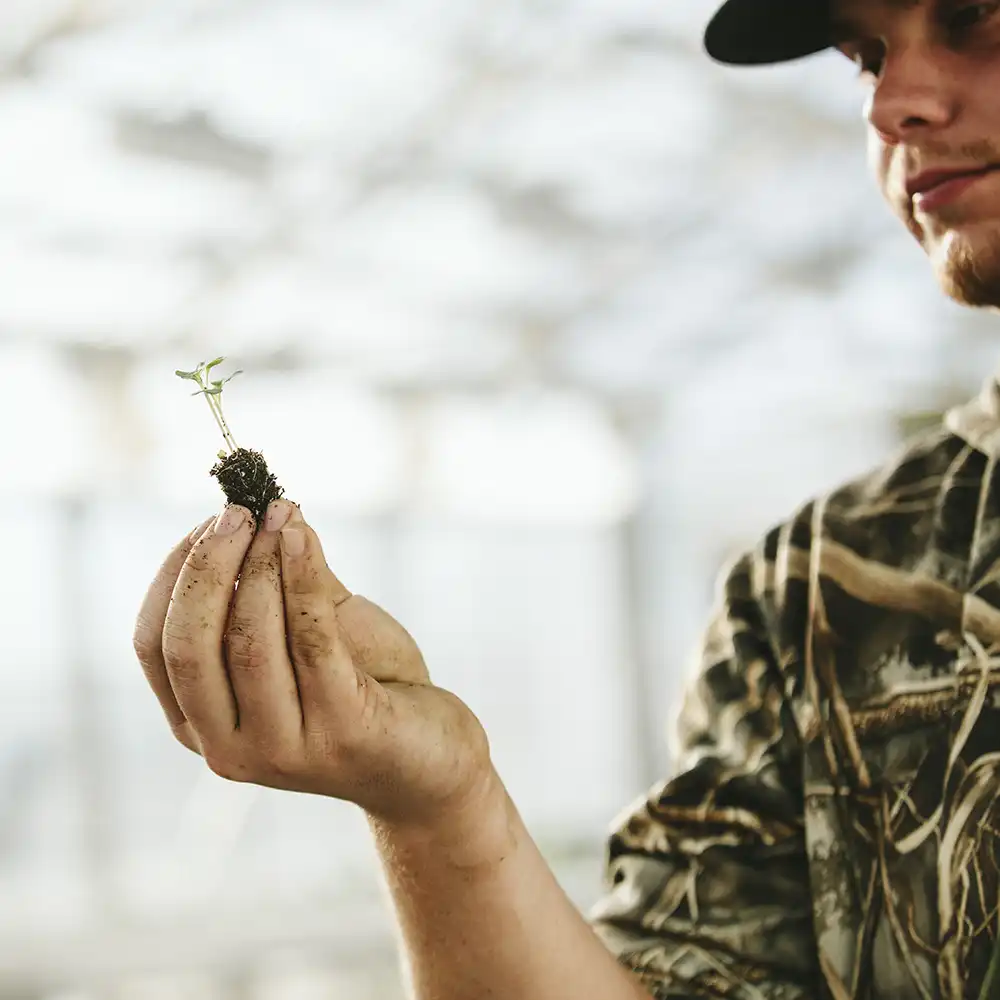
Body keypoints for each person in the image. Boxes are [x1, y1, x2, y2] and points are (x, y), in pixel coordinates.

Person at [131, 0, 1000, 994]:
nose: (890, 104)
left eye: (972, 17)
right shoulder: (818, 594)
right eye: (865, 57)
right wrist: (437, 801)